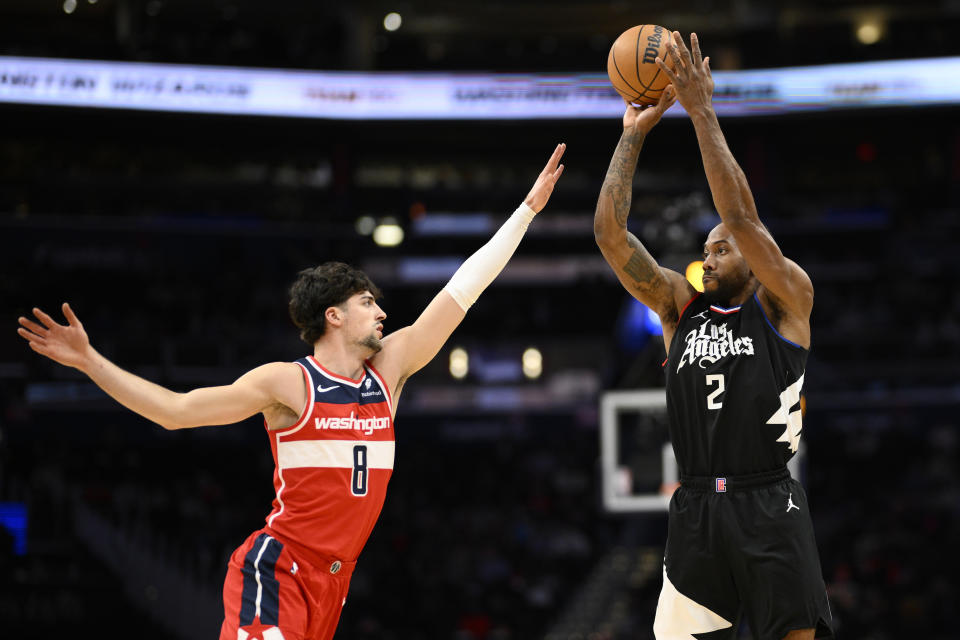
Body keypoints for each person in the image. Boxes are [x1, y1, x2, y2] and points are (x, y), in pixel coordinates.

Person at [17, 143, 565, 640]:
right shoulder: (287, 382)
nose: (383, 313)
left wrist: (528, 211)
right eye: (369, 304)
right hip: (277, 569)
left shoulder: (390, 370)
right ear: (334, 315)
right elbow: (175, 412)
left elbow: (462, 289)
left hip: (334, 584)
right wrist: (89, 361)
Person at [593, 32, 832, 640]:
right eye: (705, 250)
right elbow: (611, 238)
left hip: (770, 501)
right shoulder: (680, 310)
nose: (710, 256)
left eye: (721, 248)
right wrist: (632, 134)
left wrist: (701, 109)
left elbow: (743, 218)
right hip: (696, 505)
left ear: (757, 259)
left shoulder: (786, 303)